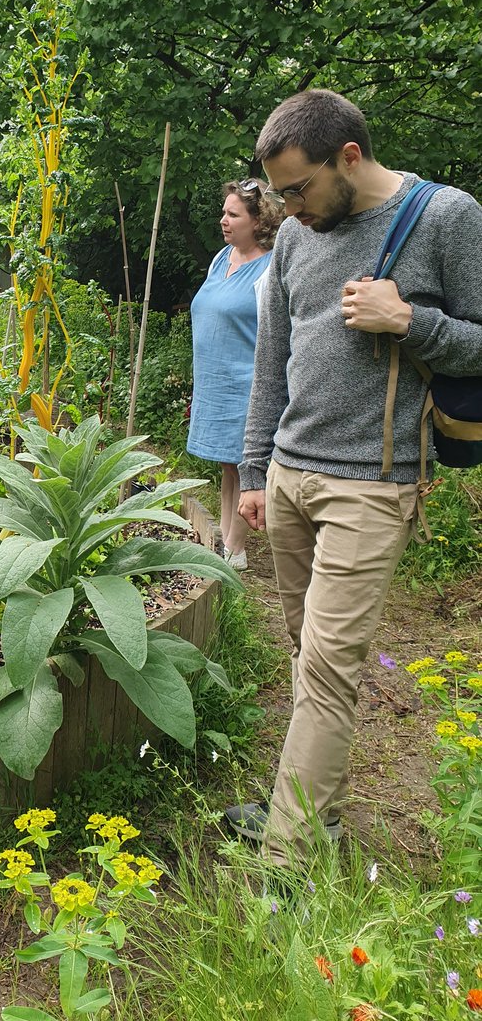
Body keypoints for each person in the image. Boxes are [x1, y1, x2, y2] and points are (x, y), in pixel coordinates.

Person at [228, 89, 482, 868]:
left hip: (373, 486)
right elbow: (274, 360)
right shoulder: (300, 239)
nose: (287, 211)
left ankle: (287, 862)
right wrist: (254, 470)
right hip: (293, 480)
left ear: (348, 157)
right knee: (309, 659)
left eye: (297, 189)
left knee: (329, 671)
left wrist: (413, 322)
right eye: (275, 195)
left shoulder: (447, 218)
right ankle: (311, 815)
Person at [187, 180, 283, 570]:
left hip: (247, 383)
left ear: (258, 220)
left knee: (247, 465)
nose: (223, 220)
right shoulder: (220, 259)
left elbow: (278, 330)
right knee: (229, 466)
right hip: (216, 382)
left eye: (233, 214)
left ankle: (235, 551)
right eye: (224, 212)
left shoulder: (270, 267)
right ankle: (225, 544)